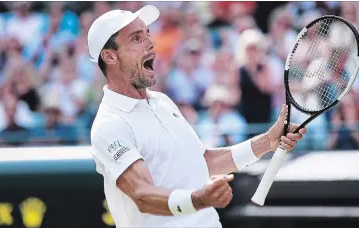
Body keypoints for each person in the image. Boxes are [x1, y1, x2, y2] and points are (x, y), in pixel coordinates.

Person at [88, 5, 306, 228]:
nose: (150, 43)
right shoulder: (109, 125)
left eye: (147, 34)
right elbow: (142, 194)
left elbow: (203, 162)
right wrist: (197, 199)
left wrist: (266, 142)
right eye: (136, 39)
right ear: (110, 56)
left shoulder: (162, 102)